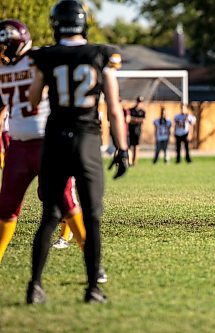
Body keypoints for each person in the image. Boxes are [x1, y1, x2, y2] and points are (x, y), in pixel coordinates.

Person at [27, 0, 128, 304]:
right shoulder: (101, 55)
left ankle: (35, 286)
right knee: (93, 216)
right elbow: (113, 107)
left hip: (56, 138)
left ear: (56, 24)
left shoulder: (47, 56)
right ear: (84, 24)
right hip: (86, 141)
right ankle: (93, 289)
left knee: (50, 215)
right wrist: (122, 149)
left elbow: (32, 100)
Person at [0, 19, 89, 267]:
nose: (3, 52)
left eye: (6, 46)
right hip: (17, 144)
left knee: (64, 199)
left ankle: (91, 257)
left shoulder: (41, 58)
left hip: (48, 142)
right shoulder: (2, 69)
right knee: (6, 206)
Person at [128, 95, 146, 165]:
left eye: (141, 102)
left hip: (137, 130)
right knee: (130, 146)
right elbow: (129, 119)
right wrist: (137, 120)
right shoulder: (131, 110)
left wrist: (134, 119)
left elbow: (143, 120)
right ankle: (130, 160)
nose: (139, 104)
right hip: (130, 130)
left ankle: (135, 161)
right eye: (138, 102)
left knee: (136, 146)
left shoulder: (142, 111)